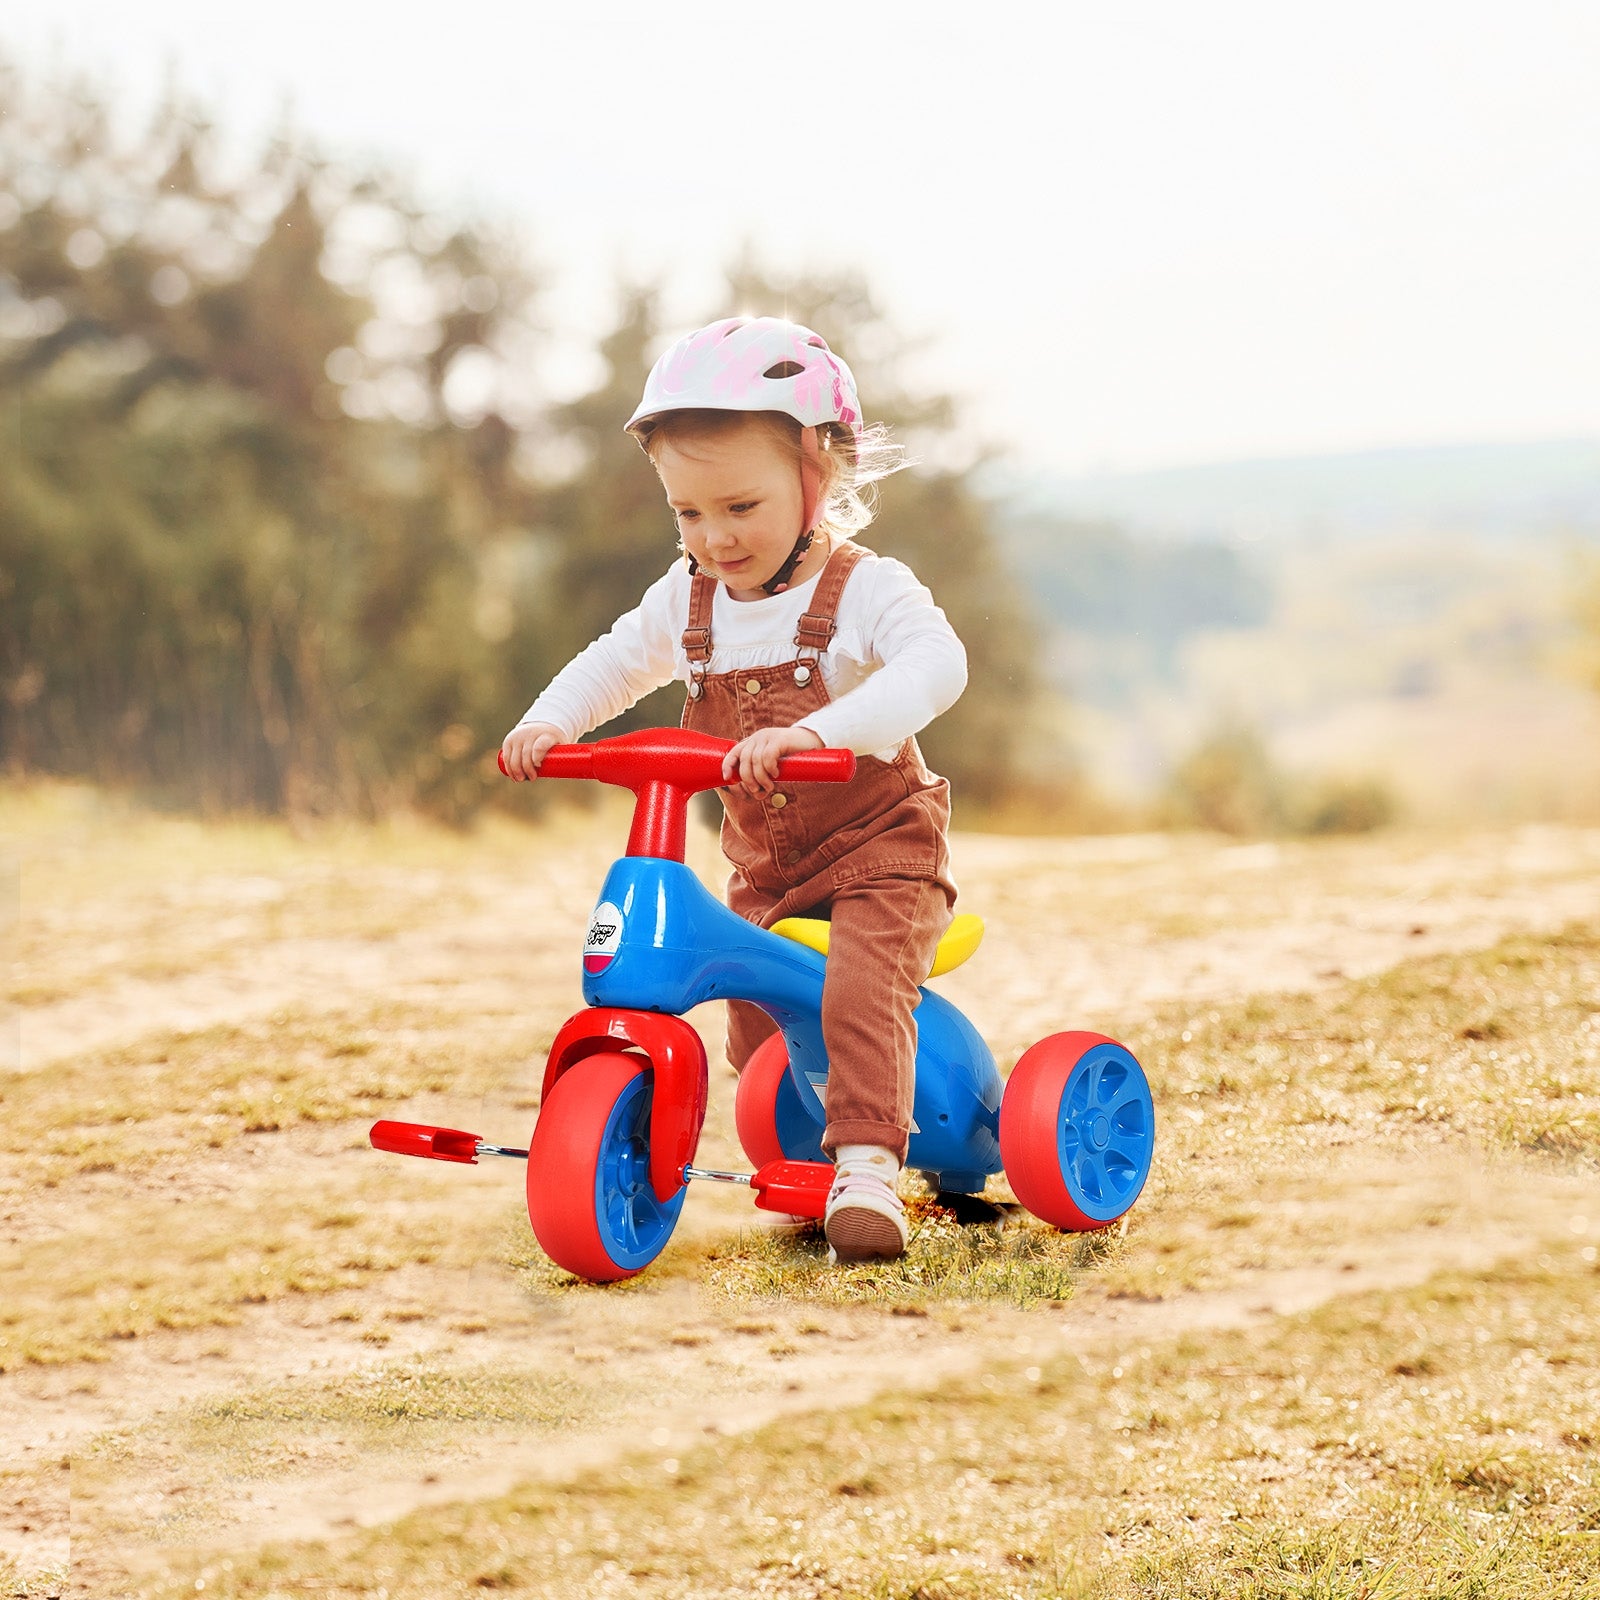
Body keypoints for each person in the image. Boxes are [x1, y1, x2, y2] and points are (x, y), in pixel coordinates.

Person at [502, 316, 966, 1263]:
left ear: (814, 472)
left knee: (858, 986)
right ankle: (795, 1154)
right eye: (687, 514)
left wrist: (820, 730)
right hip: (768, 870)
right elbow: (618, 661)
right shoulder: (690, 599)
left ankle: (871, 1162)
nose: (713, 538)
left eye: (740, 508)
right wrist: (550, 723)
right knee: (757, 1031)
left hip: (883, 851)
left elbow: (936, 666)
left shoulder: (864, 589)